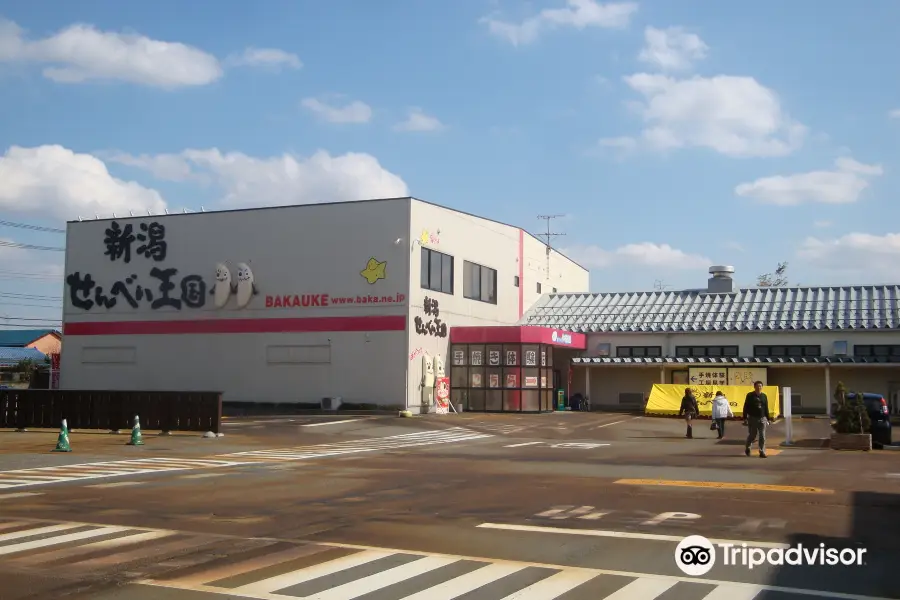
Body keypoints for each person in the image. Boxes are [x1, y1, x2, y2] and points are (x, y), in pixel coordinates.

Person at [743, 380, 771, 458]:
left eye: (760, 386)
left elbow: (766, 408)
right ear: (754, 387)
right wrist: (745, 417)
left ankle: (762, 451)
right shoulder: (750, 395)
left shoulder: (764, 396)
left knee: (762, 435)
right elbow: (746, 407)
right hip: (753, 418)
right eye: (757, 386)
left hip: (762, 418)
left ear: (762, 387)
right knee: (752, 435)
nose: (759, 387)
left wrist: (768, 418)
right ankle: (748, 447)